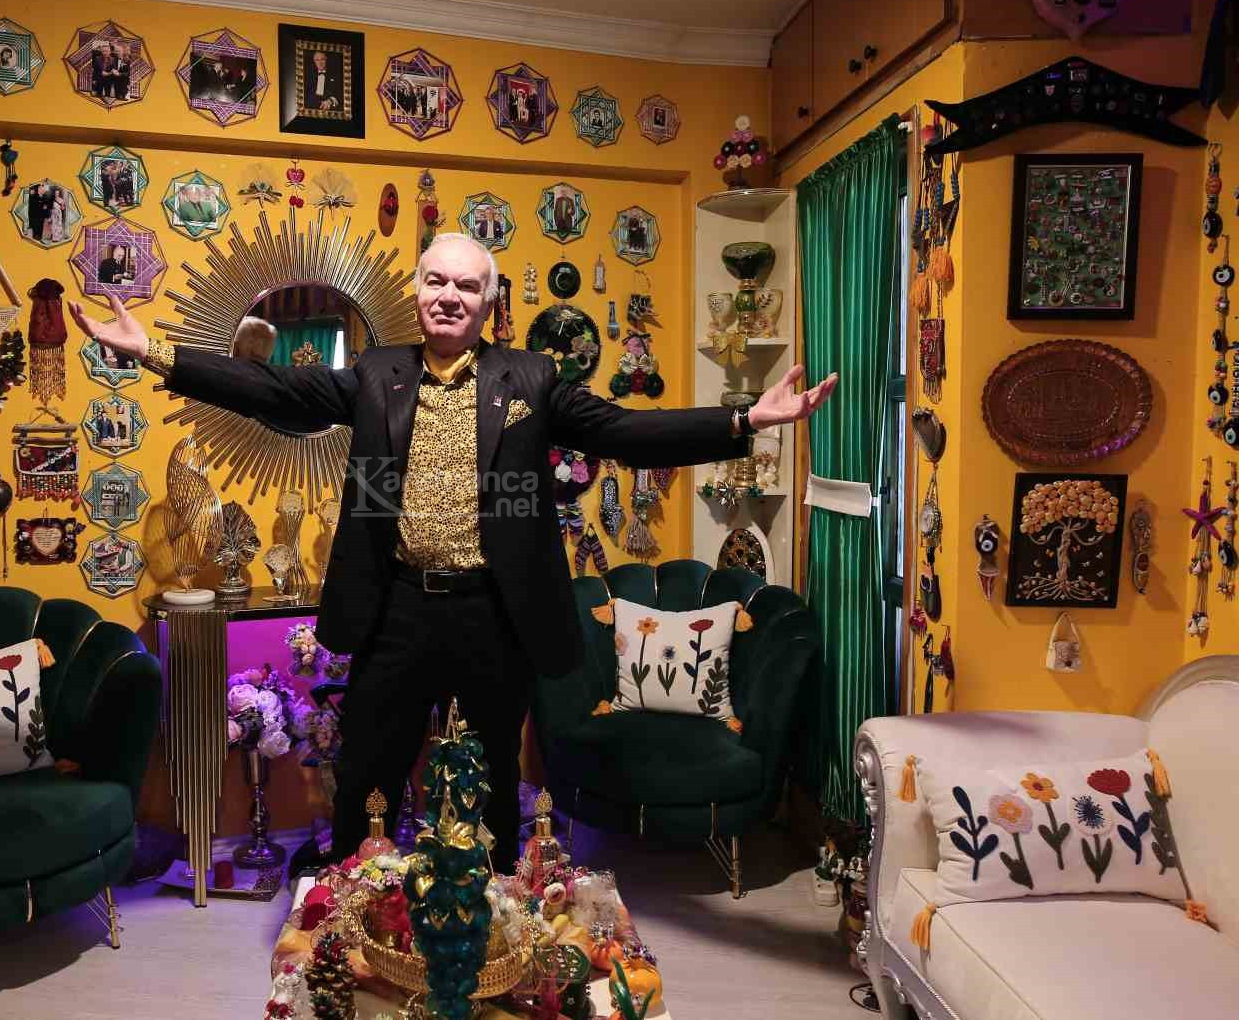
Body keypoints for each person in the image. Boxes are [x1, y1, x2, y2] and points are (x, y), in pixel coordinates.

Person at [68, 232, 837, 871]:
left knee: (493, 782)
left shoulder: (531, 377)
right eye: (436, 280)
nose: (449, 296)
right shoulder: (376, 374)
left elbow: (624, 431)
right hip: (396, 610)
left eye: (468, 286)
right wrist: (156, 353)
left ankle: (495, 926)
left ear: (490, 303)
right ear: (415, 290)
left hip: (492, 617)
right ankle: (356, 917)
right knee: (366, 775)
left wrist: (743, 421)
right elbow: (273, 389)